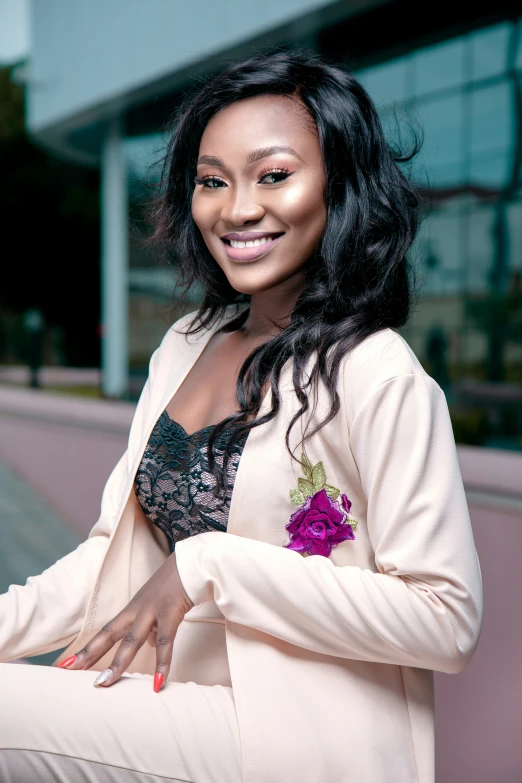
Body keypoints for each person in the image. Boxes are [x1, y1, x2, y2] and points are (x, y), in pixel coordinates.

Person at [0, 51, 482, 783]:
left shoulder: (377, 374)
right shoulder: (185, 345)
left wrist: (211, 565)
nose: (237, 208)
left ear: (338, 186)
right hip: (171, 697)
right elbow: (109, 558)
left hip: (294, 734)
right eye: (212, 181)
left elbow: (445, 618)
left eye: (275, 175)